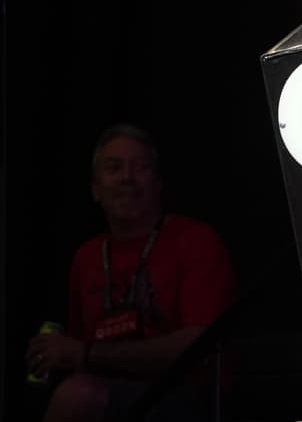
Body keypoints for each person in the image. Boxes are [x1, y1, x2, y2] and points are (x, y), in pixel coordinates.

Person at [24, 125, 235, 422]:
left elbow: (198, 346)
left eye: (141, 167)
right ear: (95, 189)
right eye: (114, 168)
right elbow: (78, 345)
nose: (127, 178)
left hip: (185, 396)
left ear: (159, 183)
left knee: (78, 396)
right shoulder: (86, 257)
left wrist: (83, 354)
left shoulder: (195, 240)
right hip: (106, 394)